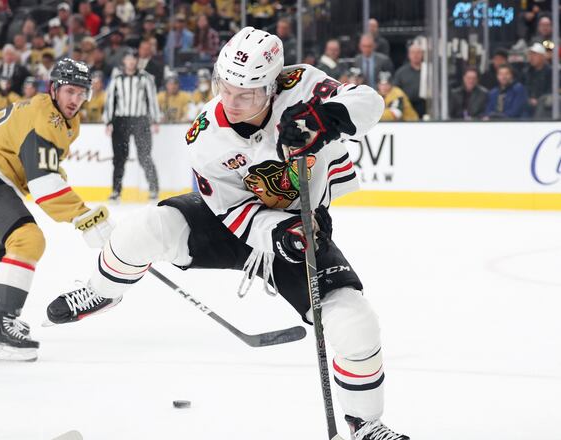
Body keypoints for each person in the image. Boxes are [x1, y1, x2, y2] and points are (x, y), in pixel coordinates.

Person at [46, 27, 410, 440]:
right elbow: (232, 211)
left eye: (248, 95)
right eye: (225, 88)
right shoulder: (206, 135)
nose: (232, 103)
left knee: (354, 321)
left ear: (273, 86)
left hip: (301, 227)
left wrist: (323, 119)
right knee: (144, 229)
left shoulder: (303, 83)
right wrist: (274, 231)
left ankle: (365, 424)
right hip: (236, 221)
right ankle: (102, 290)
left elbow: (369, 102)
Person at [0, 58, 113, 361]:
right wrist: (82, 216)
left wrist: (70, 200)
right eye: (70, 92)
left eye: (82, 93)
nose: (76, 100)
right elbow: (43, 183)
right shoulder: (47, 118)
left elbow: (42, 165)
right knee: (28, 240)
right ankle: (2, 329)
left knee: (6, 253)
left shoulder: (60, 118)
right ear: (54, 89)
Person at [103, 51, 161, 201]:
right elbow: (110, 101)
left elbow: (151, 99)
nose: (131, 62)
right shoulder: (117, 79)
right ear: (124, 61)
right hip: (121, 121)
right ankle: (116, 191)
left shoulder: (145, 78)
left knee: (144, 156)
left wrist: (154, 120)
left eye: (133, 59)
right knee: (119, 157)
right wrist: (108, 121)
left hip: (141, 120)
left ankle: (153, 188)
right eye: (128, 59)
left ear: (136, 61)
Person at [392, 43, 427, 117]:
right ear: (408, 55)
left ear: (422, 54)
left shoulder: (428, 71)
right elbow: (395, 90)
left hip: (426, 106)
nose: (415, 55)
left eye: (418, 52)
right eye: (413, 52)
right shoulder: (401, 72)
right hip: (407, 108)